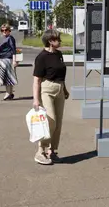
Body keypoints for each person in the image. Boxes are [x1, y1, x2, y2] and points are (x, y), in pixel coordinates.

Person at [32, 29, 69, 165]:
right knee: (50, 121)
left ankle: (52, 151)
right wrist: (36, 99)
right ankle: (40, 151)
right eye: (57, 39)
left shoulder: (59, 54)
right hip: (47, 89)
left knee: (58, 123)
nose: (60, 41)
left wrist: (64, 89)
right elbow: (37, 80)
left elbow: (61, 74)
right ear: (50, 41)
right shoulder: (41, 57)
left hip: (59, 89)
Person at [0, 23, 18, 100]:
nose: (4, 31)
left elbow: (13, 50)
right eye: (2, 30)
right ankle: (10, 93)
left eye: (6, 30)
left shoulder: (10, 38)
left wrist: (14, 61)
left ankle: (8, 93)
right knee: (8, 77)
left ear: (9, 30)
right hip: (4, 59)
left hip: (8, 59)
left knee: (7, 78)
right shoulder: (5, 38)